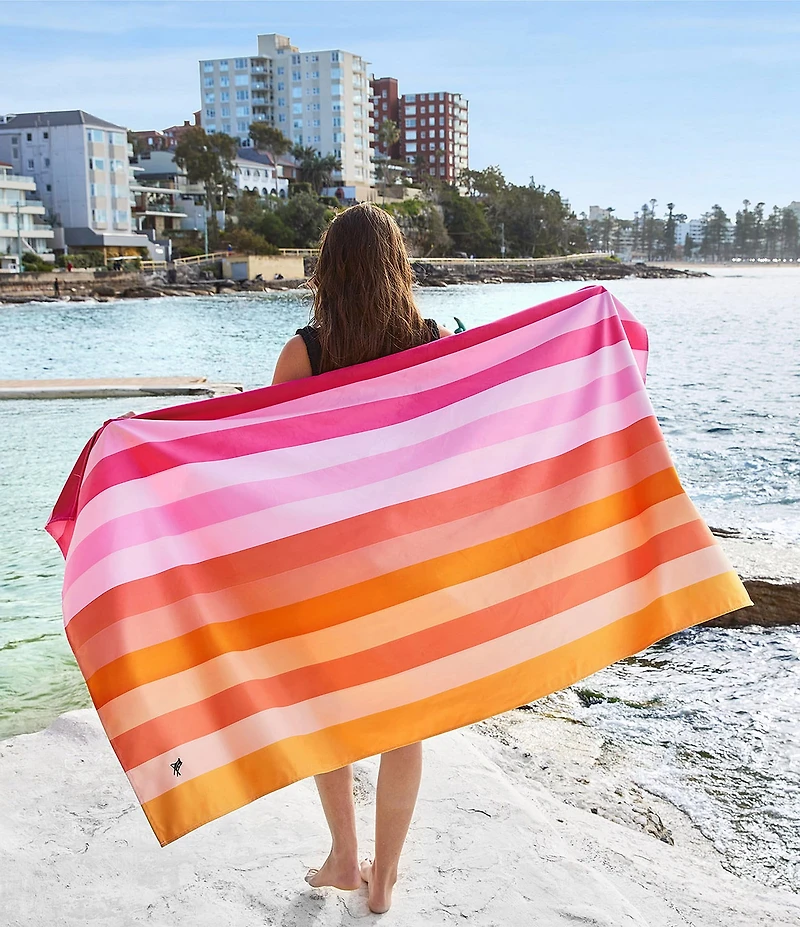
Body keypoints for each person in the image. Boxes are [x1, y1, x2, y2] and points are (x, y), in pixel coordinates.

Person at [271, 203, 451, 913]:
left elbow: (269, 466)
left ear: (328, 270)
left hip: (328, 565)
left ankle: (345, 857)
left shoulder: (304, 352)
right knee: (403, 723)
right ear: (397, 267)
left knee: (329, 714)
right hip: (410, 563)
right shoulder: (434, 342)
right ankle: (385, 877)